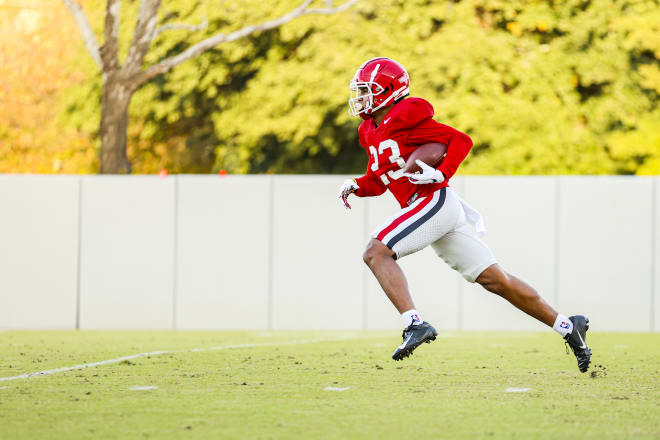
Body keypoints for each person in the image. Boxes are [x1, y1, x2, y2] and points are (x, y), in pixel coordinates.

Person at [337, 57, 592, 372]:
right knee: (496, 280)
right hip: (432, 207)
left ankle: (414, 323)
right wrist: (356, 186)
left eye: (368, 90)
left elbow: (460, 140)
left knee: (376, 252)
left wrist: (441, 172)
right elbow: (379, 180)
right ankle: (569, 327)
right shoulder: (369, 130)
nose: (361, 97)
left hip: (432, 200)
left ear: (390, 91)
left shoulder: (406, 117)